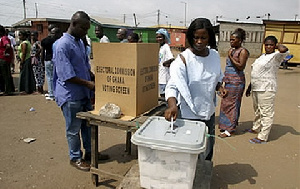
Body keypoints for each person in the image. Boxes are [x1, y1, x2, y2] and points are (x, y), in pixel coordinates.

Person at [53, 11, 108, 172]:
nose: (86, 32)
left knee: (88, 126)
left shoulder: (79, 42)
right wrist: (89, 84)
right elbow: (67, 75)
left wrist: (94, 76)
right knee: (73, 128)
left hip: (83, 93)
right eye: (84, 28)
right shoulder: (62, 45)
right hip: (71, 95)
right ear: (74, 24)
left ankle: (90, 153)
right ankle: (75, 157)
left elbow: (84, 66)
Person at [164, 18, 227, 161]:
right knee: (189, 154)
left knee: (207, 150)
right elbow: (173, 86)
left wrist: (219, 87)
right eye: (196, 37)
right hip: (189, 116)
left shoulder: (214, 56)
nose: (199, 41)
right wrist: (172, 106)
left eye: (203, 38)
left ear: (209, 38)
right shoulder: (183, 60)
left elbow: (215, 77)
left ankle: (203, 175)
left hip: (208, 114)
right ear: (191, 37)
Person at [245, 36, 288, 144]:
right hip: (256, 87)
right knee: (258, 110)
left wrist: (277, 45)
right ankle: (256, 128)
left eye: (271, 45)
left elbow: (284, 49)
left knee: (266, 112)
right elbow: (256, 72)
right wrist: (250, 87)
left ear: (275, 45)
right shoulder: (262, 56)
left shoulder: (276, 56)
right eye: (266, 44)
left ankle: (263, 136)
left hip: (267, 88)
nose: (268, 47)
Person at [218, 28, 250, 138]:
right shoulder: (231, 50)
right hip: (228, 81)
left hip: (237, 82)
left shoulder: (243, 51)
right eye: (230, 40)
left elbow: (241, 66)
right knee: (226, 104)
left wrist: (231, 57)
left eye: (233, 40)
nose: (231, 42)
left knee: (233, 105)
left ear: (240, 40)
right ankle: (225, 125)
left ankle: (230, 129)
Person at [156, 28, 174, 98]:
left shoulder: (166, 47)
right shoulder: (160, 47)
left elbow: (172, 58)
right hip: (160, 75)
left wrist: (165, 63)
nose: (158, 39)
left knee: (164, 95)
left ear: (164, 38)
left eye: (160, 37)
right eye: (157, 37)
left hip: (164, 76)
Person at [41, 24, 58, 100]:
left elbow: (42, 52)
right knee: (56, 77)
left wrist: (42, 61)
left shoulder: (45, 41)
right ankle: (55, 93)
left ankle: (51, 94)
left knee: (49, 77)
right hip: (56, 60)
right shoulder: (57, 40)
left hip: (48, 60)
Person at [18, 30, 36, 95]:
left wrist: (21, 62)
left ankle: (26, 89)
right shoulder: (27, 42)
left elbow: (24, 53)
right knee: (28, 75)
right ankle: (29, 89)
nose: (19, 36)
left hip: (25, 60)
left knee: (25, 75)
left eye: (20, 35)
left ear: (24, 36)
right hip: (27, 59)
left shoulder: (24, 43)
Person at [0, 25, 15, 95]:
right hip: (4, 58)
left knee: (6, 75)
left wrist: (5, 52)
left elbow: (8, 45)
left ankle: (8, 90)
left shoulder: (4, 38)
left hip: (3, 59)